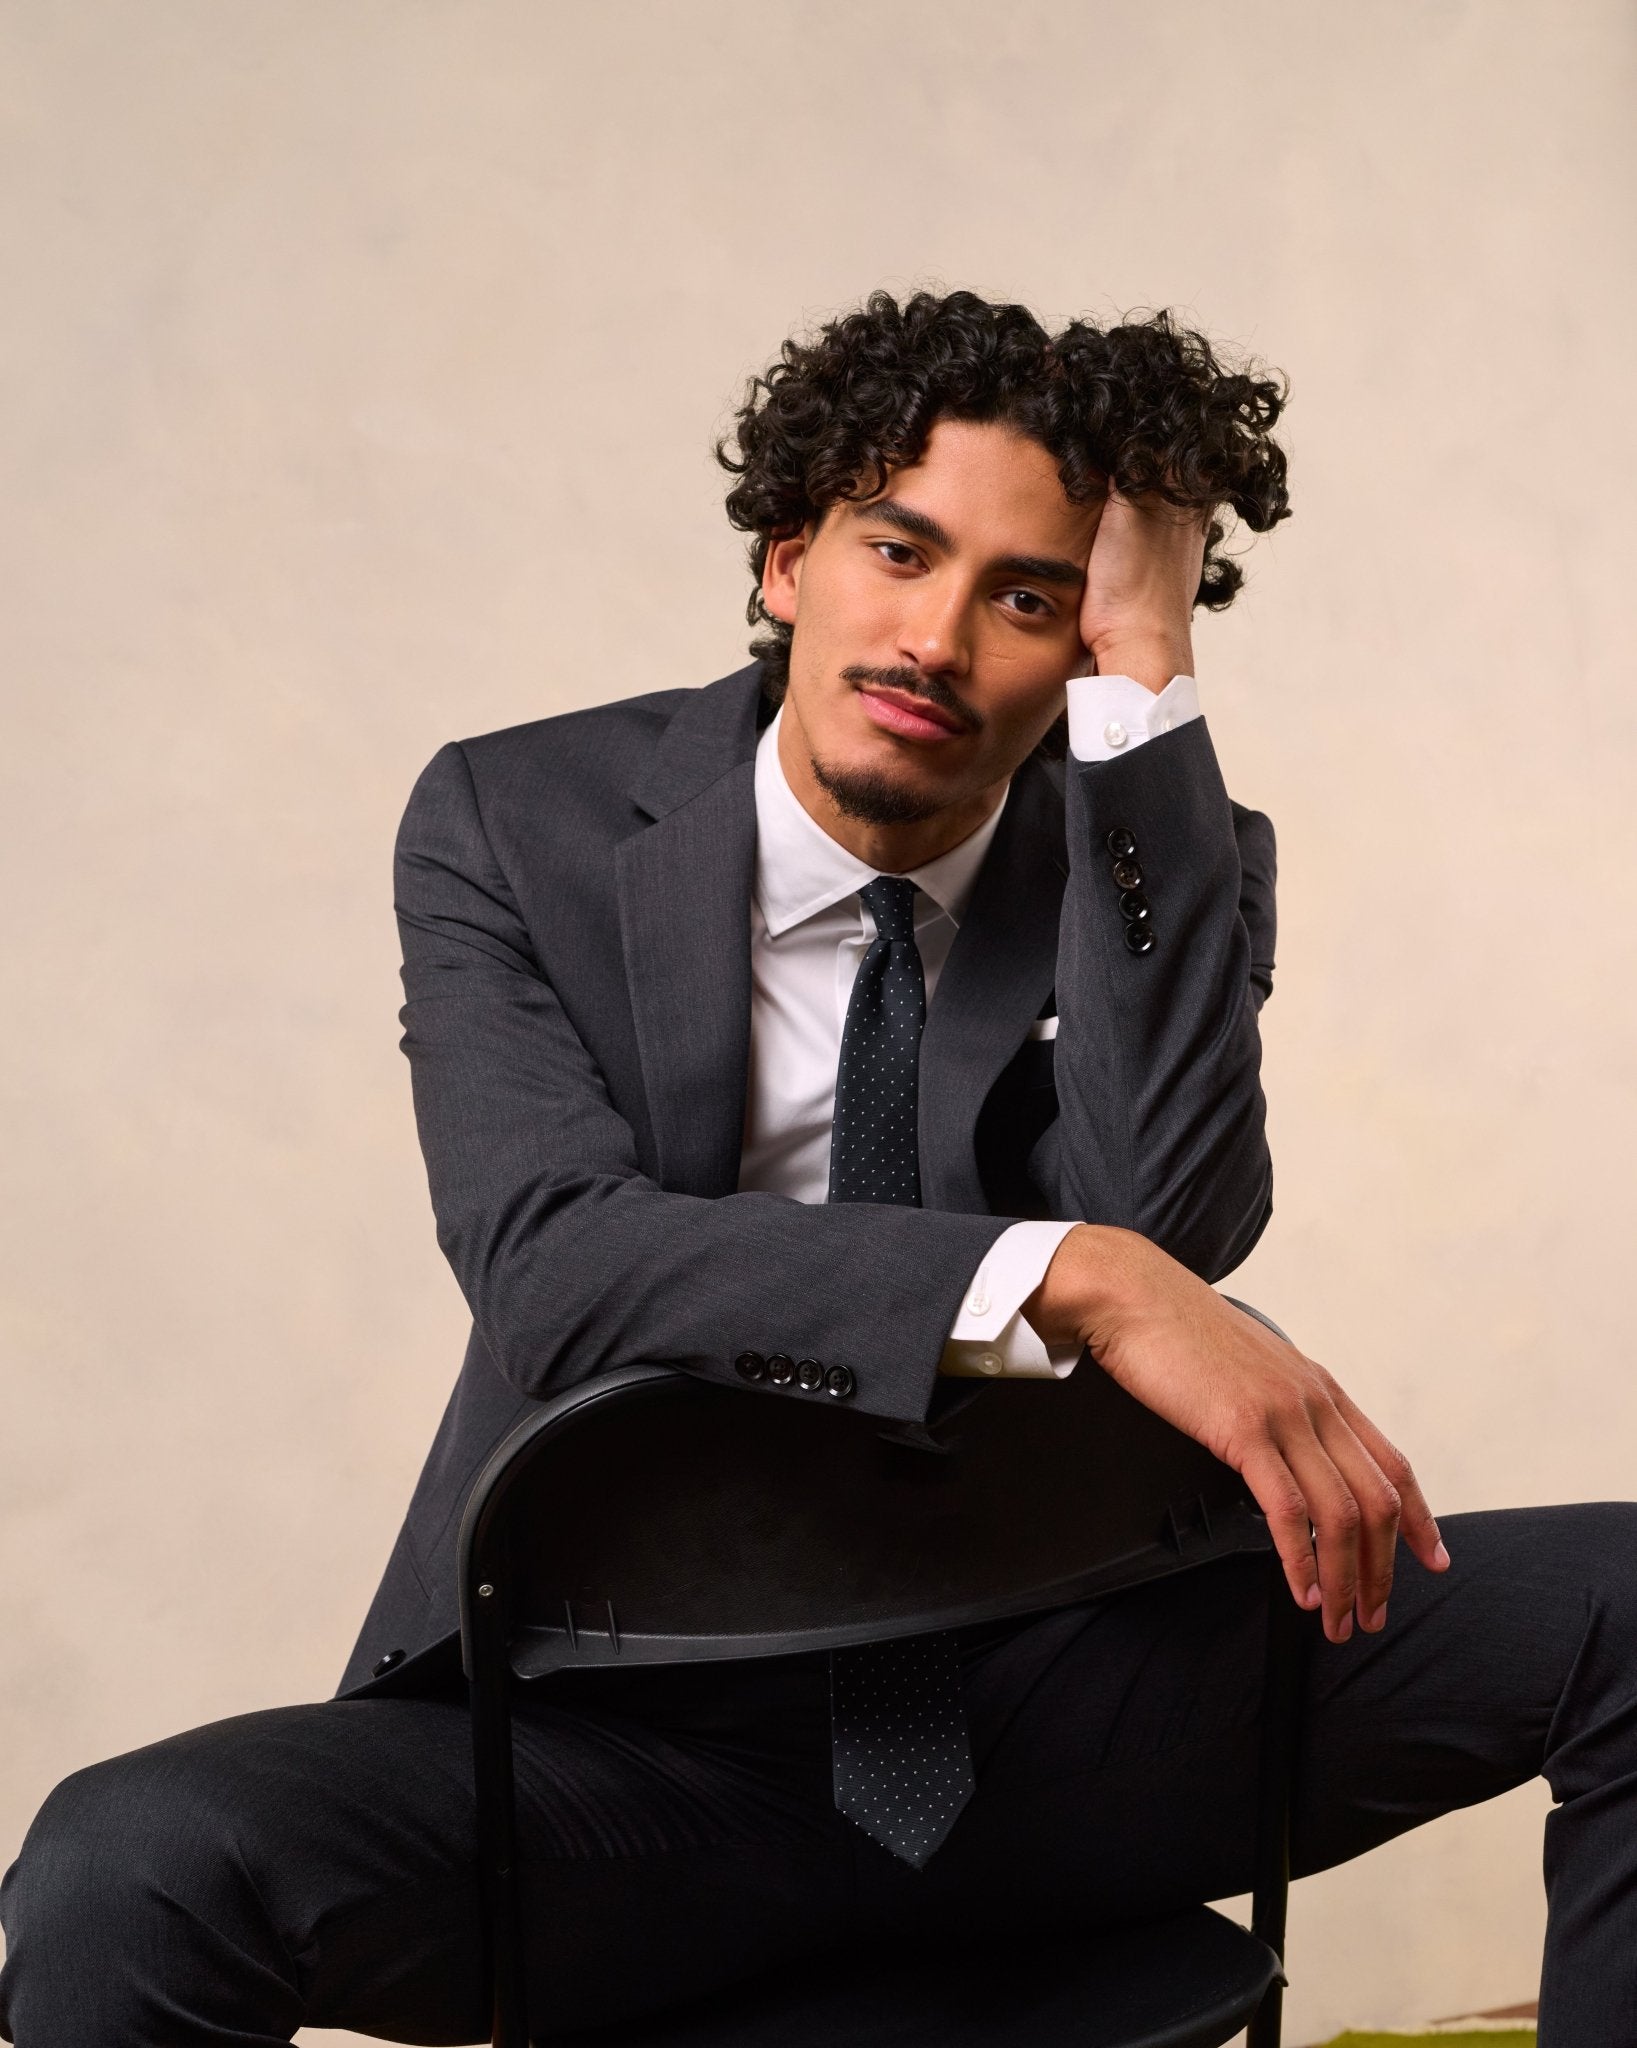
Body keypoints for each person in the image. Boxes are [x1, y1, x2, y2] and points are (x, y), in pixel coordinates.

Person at [2, 289, 1633, 2046]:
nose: (935, 639)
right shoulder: (516, 823)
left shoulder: (1157, 855)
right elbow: (556, 1264)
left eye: (1028, 595)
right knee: (129, 1865)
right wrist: (1056, 1277)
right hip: (623, 1746)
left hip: (1068, 1701)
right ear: (788, 558)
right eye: (895, 549)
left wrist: (1150, 680)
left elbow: (1170, 1212)